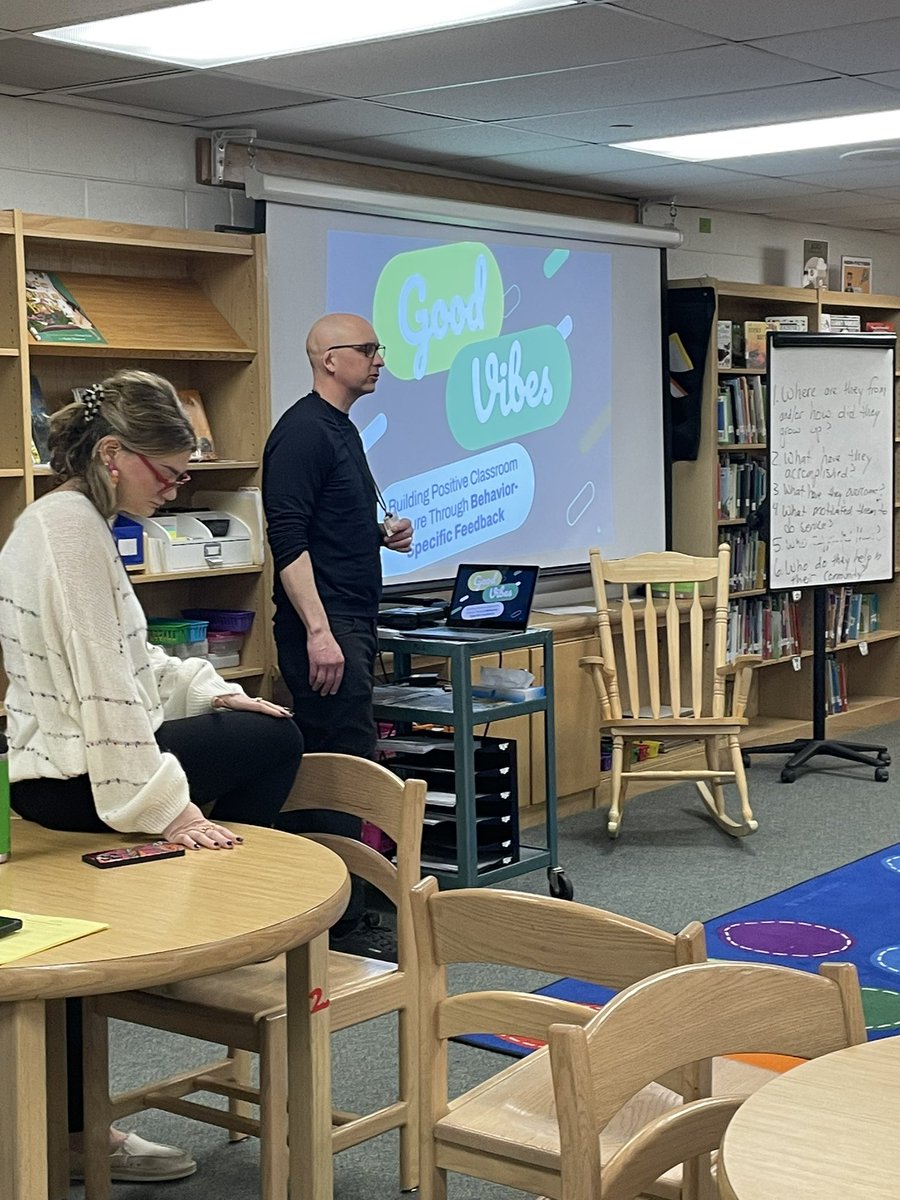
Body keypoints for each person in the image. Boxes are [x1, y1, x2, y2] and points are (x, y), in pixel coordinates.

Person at [0, 369, 304, 1184]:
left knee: (251, 724)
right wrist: (166, 809)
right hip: (70, 779)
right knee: (276, 742)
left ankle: (70, 1133)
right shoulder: (67, 528)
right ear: (112, 454)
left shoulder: (74, 521)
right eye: (167, 472)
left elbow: (133, 662)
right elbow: (103, 685)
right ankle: (208, 922)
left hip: (68, 767)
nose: (175, 489)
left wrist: (213, 688)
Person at [263, 313, 413, 949]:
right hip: (326, 629)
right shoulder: (300, 434)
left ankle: (346, 906)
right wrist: (319, 633)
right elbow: (288, 538)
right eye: (368, 349)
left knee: (345, 758)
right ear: (329, 359)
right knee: (339, 769)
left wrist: (381, 533)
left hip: (351, 619)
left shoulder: (340, 429)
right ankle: (341, 920)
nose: (379, 359)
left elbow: (326, 526)